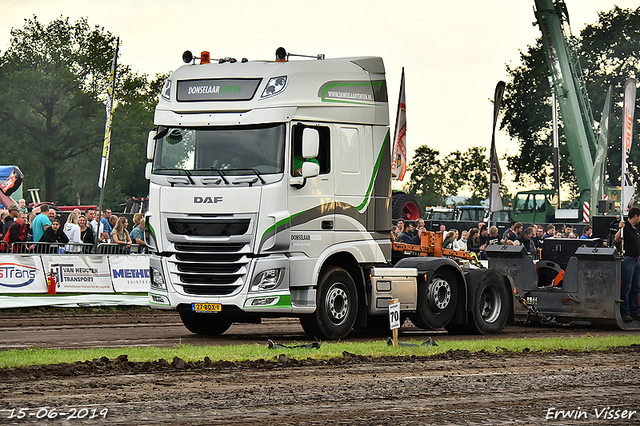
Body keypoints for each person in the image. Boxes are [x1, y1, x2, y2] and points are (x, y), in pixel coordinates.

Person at [614, 207, 640, 322]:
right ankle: (625, 310)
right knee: (627, 287)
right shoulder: (626, 227)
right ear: (635, 216)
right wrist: (621, 229)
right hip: (628, 259)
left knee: (635, 287)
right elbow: (617, 239)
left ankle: (634, 310)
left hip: (636, 260)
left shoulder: (635, 229)